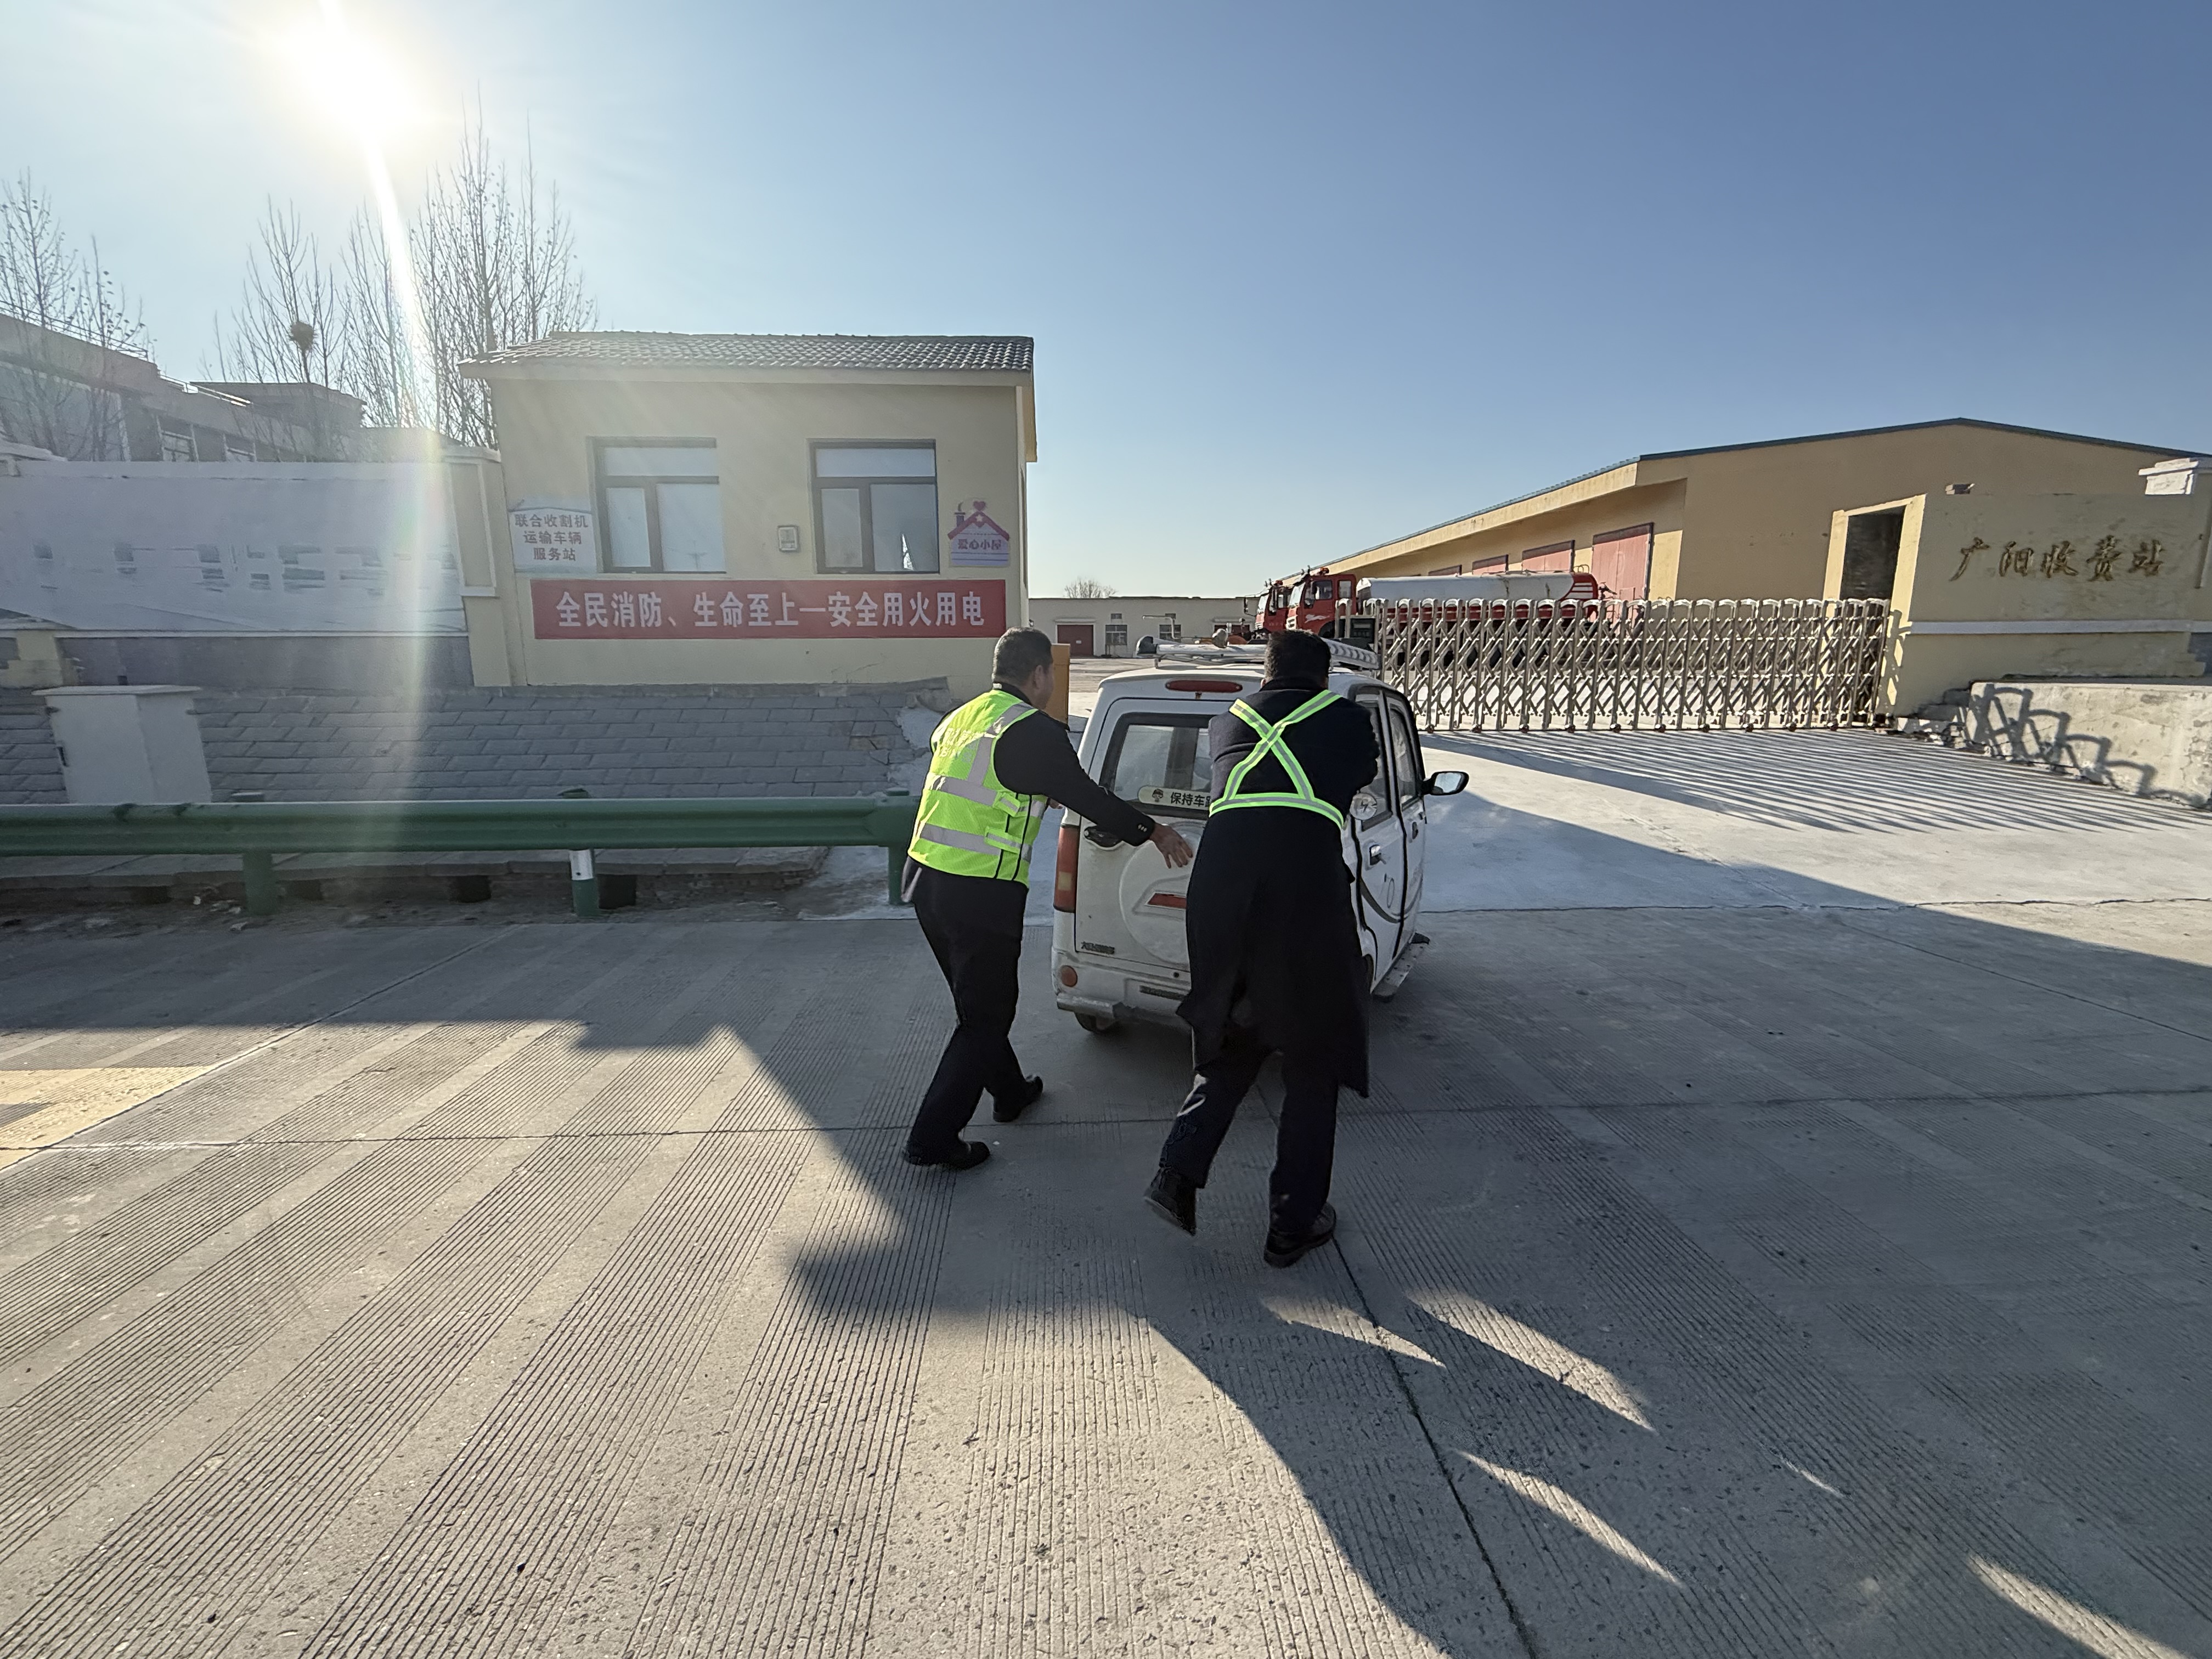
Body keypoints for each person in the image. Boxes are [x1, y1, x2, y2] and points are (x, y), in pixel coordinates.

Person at [904, 627, 1190, 1170]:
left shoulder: (964, 717)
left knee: (977, 1006)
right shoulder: (1032, 730)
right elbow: (1089, 798)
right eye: (1051, 675)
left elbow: (984, 786)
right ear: (1038, 674)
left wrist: (1043, 787)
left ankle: (1010, 1093)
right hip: (979, 891)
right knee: (986, 1017)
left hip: (928, 881)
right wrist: (1154, 831)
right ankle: (932, 1138)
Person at [1143, 629, 1379, 1266]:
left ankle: (1176, 1171)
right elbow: (1361, 772)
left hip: (1219, 892)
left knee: (1234, 1030)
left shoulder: (1227, 721)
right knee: (1313, 1053)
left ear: (1265, 676)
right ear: (1323, 679)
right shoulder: (1345, 719)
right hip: (1300, 889)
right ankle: (1292, 1223)